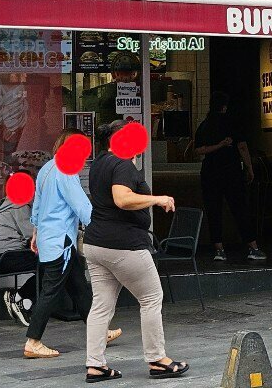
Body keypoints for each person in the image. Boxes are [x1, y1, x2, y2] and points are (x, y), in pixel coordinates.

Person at [83, 123, 189, 383]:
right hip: (124, 244)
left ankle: (95, 365)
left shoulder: (99, 163)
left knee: (101, 305)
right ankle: (157, 359)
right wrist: (158, 199)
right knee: (151, 297)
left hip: (96, 244)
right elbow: (122, 199)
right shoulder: (122, 164)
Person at [26, 130, 121, 359]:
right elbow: (81, 206)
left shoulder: (47, 168)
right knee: (50, 291)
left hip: (50, 238)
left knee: (78, 286)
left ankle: (100, 332)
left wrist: (35, 233)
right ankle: (33, 341)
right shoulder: (66, 170)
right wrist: (102, 227)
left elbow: (37, 204)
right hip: (62, 241)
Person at [193, 91, 266, 262]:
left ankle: (219, 250)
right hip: (231, 172)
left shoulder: (204, 125)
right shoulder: (233, 123)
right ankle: (253, 247)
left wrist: (216, 146)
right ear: (225, 107)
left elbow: (199, 150)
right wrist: (249, 168)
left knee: (214, 211)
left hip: (210, 172)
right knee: (240, 209)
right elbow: (242, 147)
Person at [0, 185, 39, 327]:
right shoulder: (19, 205)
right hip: (7, 257)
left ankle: (20, 299)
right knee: (50, 265)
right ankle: (21, 298)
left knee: (47, 264)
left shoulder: (7, 203)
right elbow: (32, 235)